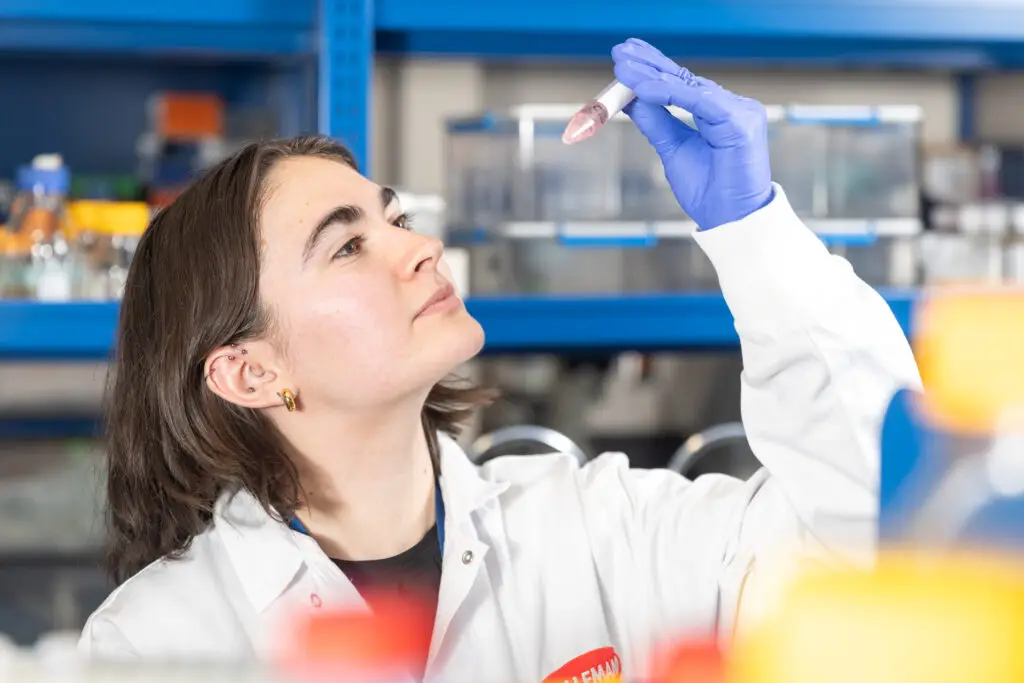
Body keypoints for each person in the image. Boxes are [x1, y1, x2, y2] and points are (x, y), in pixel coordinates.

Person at [79, 38, 921, 680]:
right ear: (249, 371)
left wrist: (754, 232)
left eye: (394, 218)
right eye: (346, 248)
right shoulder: (162, 641)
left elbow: (889, 546)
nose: (421, 247)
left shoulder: (597, 532)